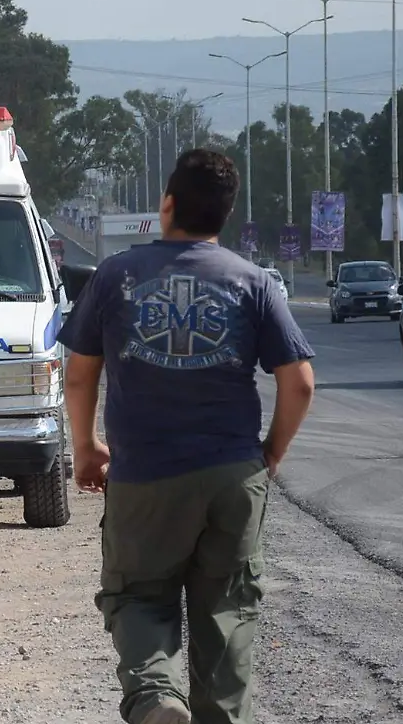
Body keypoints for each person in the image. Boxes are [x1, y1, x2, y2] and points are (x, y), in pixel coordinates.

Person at [62, 149, 316, 724]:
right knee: (226, 613)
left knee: (138, 595)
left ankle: (156, 697)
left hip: (145, 474)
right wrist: (268, 454)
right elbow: (298, 383)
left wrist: (86, 447)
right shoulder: (253, 282)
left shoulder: (115, 275)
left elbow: (80, 374)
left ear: (166, 204)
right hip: (232, 473)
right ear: (224, 216)